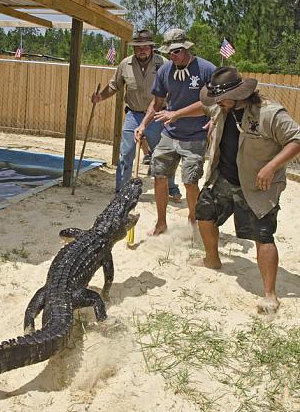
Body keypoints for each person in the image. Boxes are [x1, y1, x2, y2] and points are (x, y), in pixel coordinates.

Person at [164, 66, 300, 314]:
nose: (216, 103)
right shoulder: (221, 107)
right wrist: (176, 114)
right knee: (204, 213)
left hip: (258, 185)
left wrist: (271, 166)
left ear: (238, 94)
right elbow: (203, 107)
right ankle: (212, 260)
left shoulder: (269, 113)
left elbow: (296, 139)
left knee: (263, 236)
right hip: (224, 177)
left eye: (220, 98)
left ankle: (270, 294)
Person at [135, 28, 216, 235]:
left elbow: (210, 103)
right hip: (169, 135)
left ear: (186, 48)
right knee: (159, 176)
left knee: (190, 182)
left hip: (196, 135)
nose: (173, 56)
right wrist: (143, 124)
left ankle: (193, 219)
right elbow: (157, 102)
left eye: (177, 51)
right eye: (169, 52)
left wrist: (176, 114)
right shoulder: (164, 71)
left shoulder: (207, 69)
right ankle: (161, 223)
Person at [92, 29, 181, 198]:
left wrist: (173, 112)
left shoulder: (163, 63)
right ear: (134, 48)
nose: (142, 50)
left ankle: (171, 188)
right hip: (133, 115)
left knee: (163, 155)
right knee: (126, 153)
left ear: (151, 47)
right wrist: (100, 97)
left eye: (145, 46)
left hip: (158, 115)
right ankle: (122, 192)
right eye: (138, 47)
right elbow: (114, 85)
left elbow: (175, 87)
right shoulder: (125, 64)